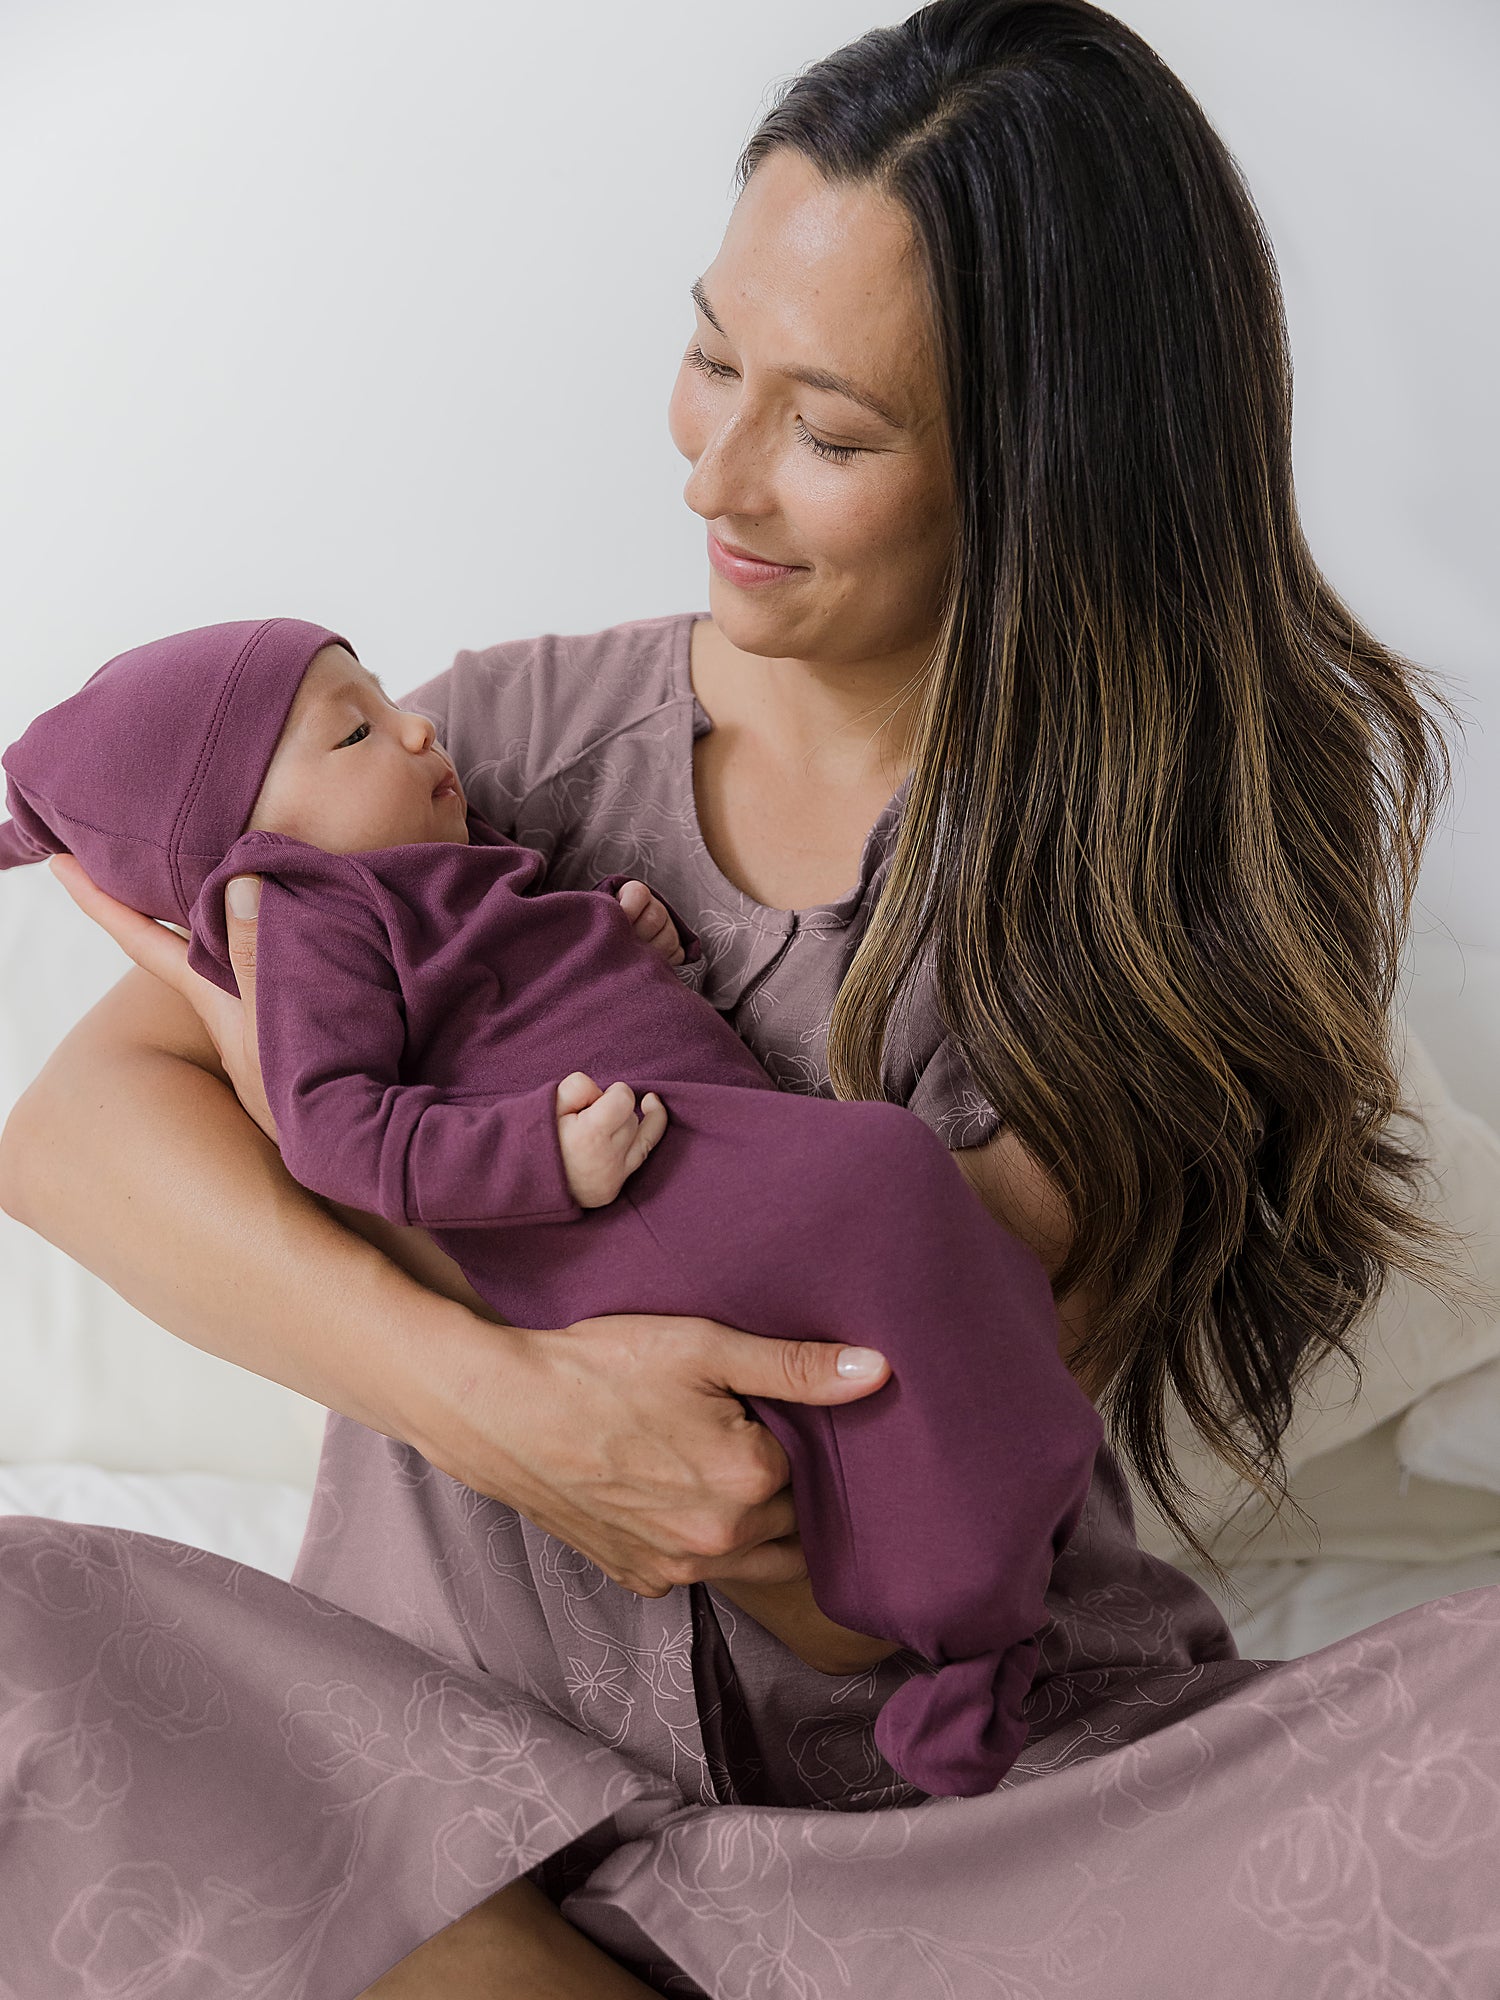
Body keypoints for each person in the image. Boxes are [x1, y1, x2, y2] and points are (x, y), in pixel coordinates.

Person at [0, 1, 1492, 1994]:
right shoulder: (476, 754)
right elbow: (74, 1140)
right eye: (712, 353)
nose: (716, 466)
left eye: (835, 428)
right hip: (444, 1808)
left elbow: (826, 1530)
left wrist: (331, 1136)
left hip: (961, 1843)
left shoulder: (1176, 875)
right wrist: (504, 1404)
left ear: (1043, 471)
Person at [0, 615, 1104, 1798]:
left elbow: (513, 996)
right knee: (881, 1178)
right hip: (602, 1202)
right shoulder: (315, 914)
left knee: (898, 1218)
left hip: (678, 1145)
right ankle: (970, 1601)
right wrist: (541, 1161)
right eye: (356, 728)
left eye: (382, 696)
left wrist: (627, 947)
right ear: (251, 843)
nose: (419, 724)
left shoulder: (452, 859)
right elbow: (335, 1131)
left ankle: (998, 1526)